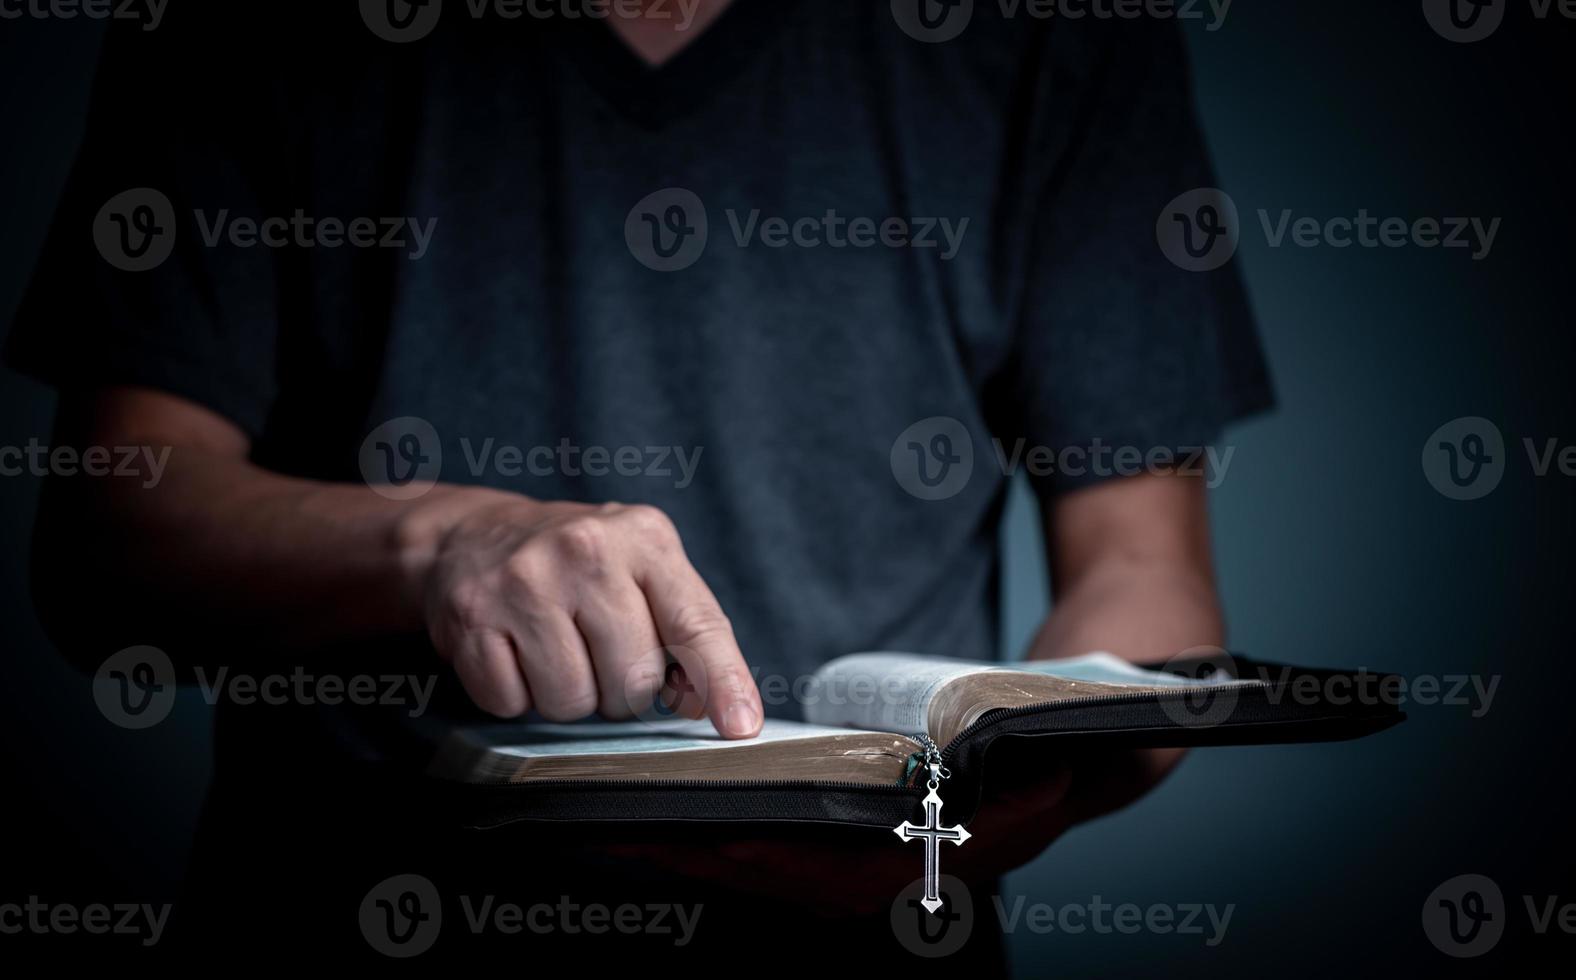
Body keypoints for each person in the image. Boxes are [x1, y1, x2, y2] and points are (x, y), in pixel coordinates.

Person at [9, 0, 1271, 965]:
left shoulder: (1058, 31)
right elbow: (108, 532)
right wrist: (438, 542)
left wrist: (1016, 787)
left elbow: (1140, 568)